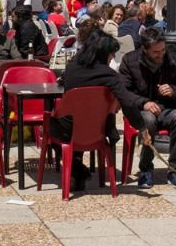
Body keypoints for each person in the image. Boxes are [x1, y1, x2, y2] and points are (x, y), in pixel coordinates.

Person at [48, 32, 127, 191]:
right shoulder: (110, 76)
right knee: (77, 122)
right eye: (111, 53)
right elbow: (126, 99)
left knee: (52, 125)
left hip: (68, 130)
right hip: (99, 129)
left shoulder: (71, 69)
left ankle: (78, 171)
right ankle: (79, 171)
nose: (112, 57)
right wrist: (141, 125)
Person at [119, 27, 176, 188]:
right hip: (141, 111)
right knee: (148, 120)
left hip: (167, 108)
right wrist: (143, 102)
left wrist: (174, 91)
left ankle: (174, 170)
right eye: (156, 52)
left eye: (163, 50)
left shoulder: (175, 60)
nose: (161, 55)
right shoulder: (130, 61)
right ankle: (145, 169)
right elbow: (123, 92)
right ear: (145, 49)